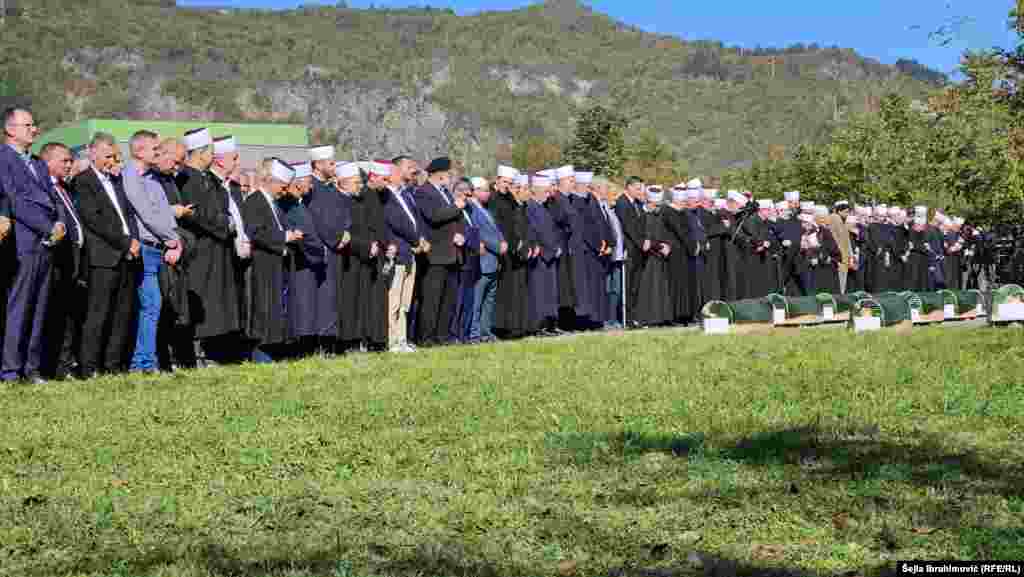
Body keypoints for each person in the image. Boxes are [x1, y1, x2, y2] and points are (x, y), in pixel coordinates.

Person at [1, 107, 65, 383]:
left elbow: (54, 195)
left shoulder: (38, 162)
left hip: (48, 244)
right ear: (10, 129)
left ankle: (31, 368)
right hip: (24, 243)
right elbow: (14, 200)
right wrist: (47, 226)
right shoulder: (4, 159)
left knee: (39, 309)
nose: (34, 130)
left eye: (34, 124)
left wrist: (60, 223)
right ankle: (11, 370)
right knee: (20, 308)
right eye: (28, 125)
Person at [72, 132, 140, 377]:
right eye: (107, 156)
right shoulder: (83, 181)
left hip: (125, 255)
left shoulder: (117, 181)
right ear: (92, 152)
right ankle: (89, 367)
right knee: (98, 314)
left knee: (122, 314)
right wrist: (125, 242)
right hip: (103, 256)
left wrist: (134, 240)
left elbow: (128, 215)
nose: (112, 161)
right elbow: (94, 220)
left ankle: (113, 365)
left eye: (114, 156)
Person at [177, 128, 245, 364]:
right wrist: (222, 224)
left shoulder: (207, 179)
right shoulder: (186, 178)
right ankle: (199, 353)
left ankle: (217, 352)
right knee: (204, 302)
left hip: (218, 250)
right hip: (201, 251)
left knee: (219, 303)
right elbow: (196, 214)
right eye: (210, 152)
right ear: (201, 153)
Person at [121, 130, 183, 374]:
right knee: (151, 305)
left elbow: (164, 214)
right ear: (138, 151)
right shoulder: (131, 176)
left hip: (160, 248)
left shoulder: (153, 178)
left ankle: (147, 360)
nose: (159, 154)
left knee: (155, 306)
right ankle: (142, 362)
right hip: (147, 249)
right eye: (154, 150)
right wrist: (173, 239)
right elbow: (146, 214)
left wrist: (173, 240)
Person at [243, 159, 303, 363]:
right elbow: (257, 232)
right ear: (269, 180)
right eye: (283, 186)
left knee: (276, 313)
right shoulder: (254, 201)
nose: (284, 191)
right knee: (264, 313)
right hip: (263, 266)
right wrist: (285, 237)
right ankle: (262, 357)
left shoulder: (273, 203)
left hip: (277, 266)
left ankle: (273, 354)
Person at [40, 142, 85, 380]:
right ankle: (51, 366)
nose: (69, 165)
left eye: (70, 161)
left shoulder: (65, 188)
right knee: (54, 315)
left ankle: (65, 365)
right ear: (47, 162)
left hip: (74, 258)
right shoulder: (45, 188)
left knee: (68, 315)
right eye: (63, 161)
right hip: (56, 259)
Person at [414, 156, 466, 347]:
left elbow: (456, 219)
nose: (450, 177)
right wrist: (455, 207)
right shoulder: (424, 192)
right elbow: (434, 216)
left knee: (447, 299)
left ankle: (442, 336)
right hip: (435, 254)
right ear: (439, 174)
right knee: (432, 299)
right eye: (448, 173)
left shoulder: (445, 193)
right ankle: (426, 338)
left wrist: (460, 233)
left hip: (452, 253)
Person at [383, 156, 425, 353]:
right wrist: (416, 240)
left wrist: (420, 240)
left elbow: (414, 222)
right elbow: (398, 223)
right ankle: (392, 340)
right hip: (399, 252)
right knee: (394, 299)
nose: (411, 173)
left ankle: (402, 338)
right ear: (394, 171)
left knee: (405, 301)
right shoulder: (387, 197)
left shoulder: (406, 195)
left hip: (410, 253)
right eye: (408, 168)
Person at [467, 176, 506, 343]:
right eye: (484, 190)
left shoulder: (486, 210)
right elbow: (480, 232)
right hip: (483, 260)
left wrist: (503, 240)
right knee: (477, 300)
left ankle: (486, 331)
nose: (488, 193)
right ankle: (474, 333)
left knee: (489, 301)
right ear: (474, 191)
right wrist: (498, 246)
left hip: (493, 261)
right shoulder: (472, 210)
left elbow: (495, 230)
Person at [614, 176, 648, 327]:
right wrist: (641, 242)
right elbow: (628, 227)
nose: (640, 191)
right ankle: (626, 318)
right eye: (637, 188)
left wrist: (647, 240)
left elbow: (643, 225)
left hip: (639, 250)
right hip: (629, 248)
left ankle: (635, 316)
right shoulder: (622, 203)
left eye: (641, 188)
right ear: (629, 187)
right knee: (628, 285)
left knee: (636, 286)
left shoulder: (638, 204)